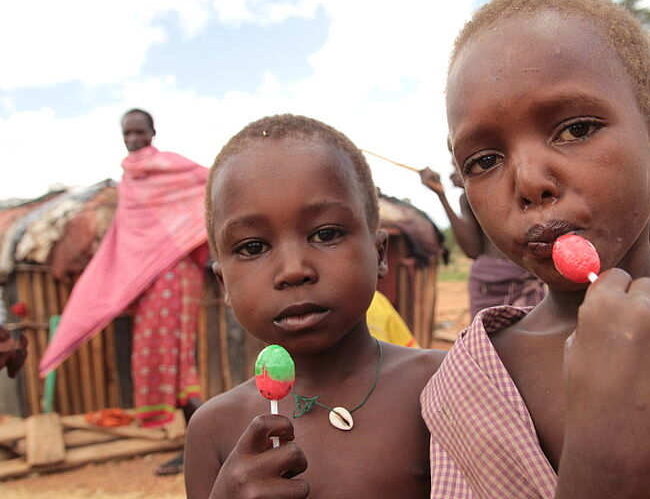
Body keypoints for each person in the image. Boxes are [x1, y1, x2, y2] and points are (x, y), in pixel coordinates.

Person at [421, 0, 650, 498]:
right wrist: (604, 467)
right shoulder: (467, 394)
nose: (530, 182)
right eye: (484, 161)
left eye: (576, 129)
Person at [184, 114, 445, 498]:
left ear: (379, 255)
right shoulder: (214, 428)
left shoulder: (441, 385)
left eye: (325, 234)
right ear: (223, 283)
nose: (293, 271)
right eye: (253, 247)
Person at [39, 108, 208, 476]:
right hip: (150, 279)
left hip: (175, 274)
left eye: (139, 132)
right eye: (127, 134)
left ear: (153, 132)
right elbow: (130, 236)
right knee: (167, 361)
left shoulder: (172, 167)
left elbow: (211, 184)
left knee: (176, 361)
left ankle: (203, 447)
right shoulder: (129, 180)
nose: (133, 140)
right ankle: (198, 445)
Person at [420, 151, 545, 318]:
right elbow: (472, 250)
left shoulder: (522, 190)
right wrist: (441, 195)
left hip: (525, 277)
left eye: (463, 165)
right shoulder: (467, 199)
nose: (455, 172)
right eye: (454, 166)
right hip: (487, 285)